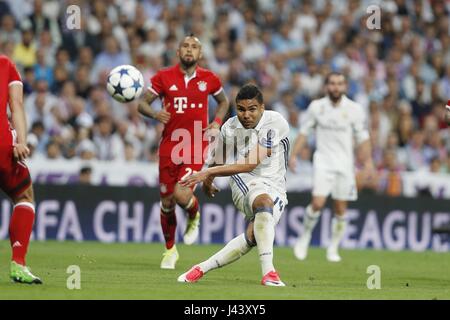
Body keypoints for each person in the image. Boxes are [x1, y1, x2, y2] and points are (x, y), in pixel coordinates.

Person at [177, 84, 289, 286]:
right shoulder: (230, 126)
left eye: (252, 109)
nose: (246, 115)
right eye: (241, 109)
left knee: (253, 236)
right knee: (263, 203)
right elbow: (221, 157)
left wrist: (207, 173)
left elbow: (250, 162)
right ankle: (269, 274)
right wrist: (209, 180)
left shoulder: (275, 123)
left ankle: (201, 268)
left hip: (276, 185)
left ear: (262, 108)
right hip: (244, 179)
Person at [137, 35, 229, 269]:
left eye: (194, 47)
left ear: (200, 54)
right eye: (185, 46)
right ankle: (170, 251)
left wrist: (217, 122)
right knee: (167, 203)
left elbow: (224, 102)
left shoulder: (209, 78)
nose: (189, 50)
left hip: (196, 143)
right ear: (178, 52)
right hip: (170, 146)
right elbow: (142, 104)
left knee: (181, 195)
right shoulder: (163, 77)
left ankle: (193, 214)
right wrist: (155, 114)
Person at [289, 72, 374, 262]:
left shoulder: (354, 109)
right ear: (326, 86)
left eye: (340, 84)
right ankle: (304, 237)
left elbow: (363, 138)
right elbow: (304, 133)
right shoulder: (317, 107)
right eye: (332, 84)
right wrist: (293, 155)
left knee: (340, 209)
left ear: (345, 87)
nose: (336, 87)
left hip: (345, 164)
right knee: (317, 203)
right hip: (323, 162)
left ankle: (333, 247)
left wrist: (368, 162)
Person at [0, 54, 42, 284]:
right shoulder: (6, 64)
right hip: (2, 145)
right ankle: (18, 263)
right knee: (23, 196)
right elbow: (16, 104)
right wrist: (22, 142)